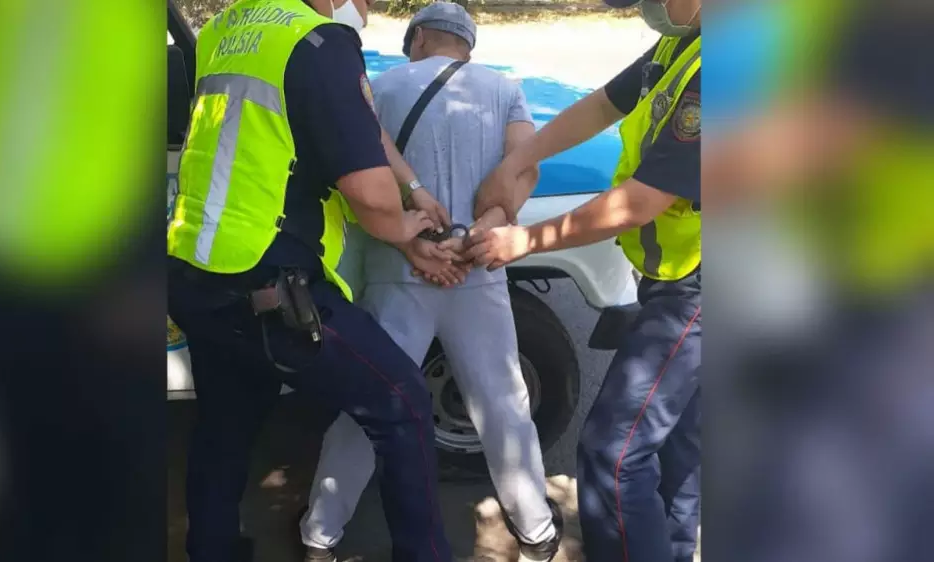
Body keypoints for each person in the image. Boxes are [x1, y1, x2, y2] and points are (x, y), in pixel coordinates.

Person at [165, 0, 457, 560]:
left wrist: (413, 187)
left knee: (224, 426)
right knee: (402, 404)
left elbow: (355, 126)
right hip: (270, 287)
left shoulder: (224, 30)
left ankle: (212, 549)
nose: (363, 6)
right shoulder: (318, 42)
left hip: (196, 269)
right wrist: (406, 232)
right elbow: (369, 194)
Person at [299, 4, 563, 562]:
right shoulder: (504, 89)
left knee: (372, 404)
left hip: (397, 271)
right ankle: (536, 528)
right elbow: (525, 167)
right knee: (503, 403)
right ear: (468, 44)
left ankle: (319, 533)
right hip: (478, 266)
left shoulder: (378, 88)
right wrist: (488, 228)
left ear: (418, 38)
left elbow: (354, 177)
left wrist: (411, 247)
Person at [466, 1, 702, 561]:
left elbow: (640, 201)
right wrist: (518, 160)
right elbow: (603, 104)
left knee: (613, 454)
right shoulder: (687, 41)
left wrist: (526, 240)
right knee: (679, 446)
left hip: (701, 288)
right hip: (682, 274)